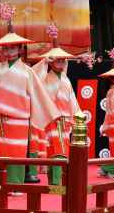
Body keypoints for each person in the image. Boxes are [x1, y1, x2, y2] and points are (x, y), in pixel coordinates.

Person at [0, 31, 60, 194]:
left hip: (19, 120)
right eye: (6, 48)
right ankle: (3, 184)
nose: (8, 51)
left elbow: (39, 92)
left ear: (20, 49)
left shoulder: (26, 71)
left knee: (16, 152)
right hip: (0, 119)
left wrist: (49, 114)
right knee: (2, 153)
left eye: (12, 48)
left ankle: (15, 185)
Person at [33, 47, 82, 185]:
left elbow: (72, 99)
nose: (61, 62)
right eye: (57, 60)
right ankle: (56, 182)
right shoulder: (45, 77)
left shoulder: (66, 79)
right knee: (56, 149)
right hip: (53, 118)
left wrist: (77, 116)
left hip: (65, 119)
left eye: (63, 60)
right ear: (51, 62)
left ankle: (60, 180)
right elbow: (34, 80)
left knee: (63, 149)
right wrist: (44, 62)